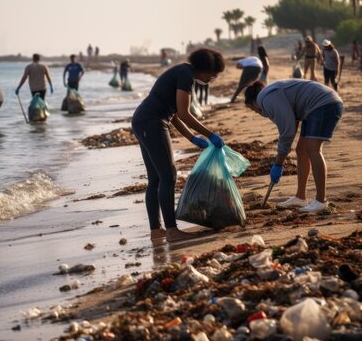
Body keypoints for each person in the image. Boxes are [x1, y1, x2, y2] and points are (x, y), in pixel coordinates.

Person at [131, 48, 226, 242]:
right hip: (152, 122)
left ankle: (156, 231)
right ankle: (172, 230)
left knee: (156, 179)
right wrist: (210, 134)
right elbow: (184, 113)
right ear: (205, 68)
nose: (213, 78)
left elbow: (173, 113)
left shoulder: (182, 71)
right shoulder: (186, 76)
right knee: (168, 176)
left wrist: (191, 138)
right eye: (213, 74)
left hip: (144, 120)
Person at [244, 80, 343, 212]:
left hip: (324, 104)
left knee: (313, 149)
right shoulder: (269, 94)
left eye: (253, 110)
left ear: (253, 103)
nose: (258, 113)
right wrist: (282, 155)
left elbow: (287, 132)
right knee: (301, 150)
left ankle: (321, 201)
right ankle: (300, 197)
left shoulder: (266, 99)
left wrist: (278, 163)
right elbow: (292, 121)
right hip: (314, 107)